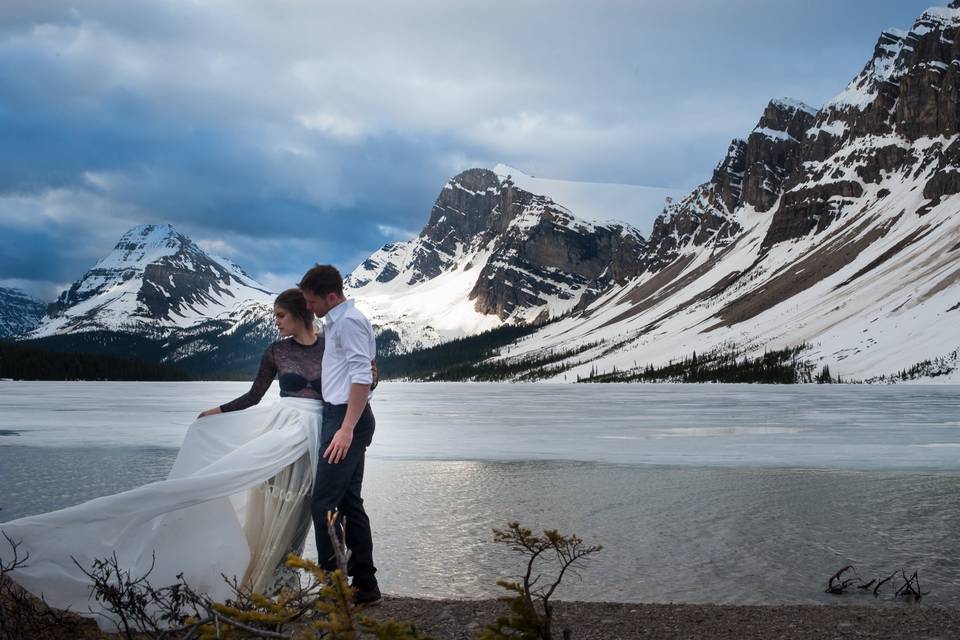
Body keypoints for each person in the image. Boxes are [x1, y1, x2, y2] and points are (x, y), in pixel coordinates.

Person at [0, 288, 368, 629]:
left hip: (324, 432)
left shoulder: (330, 346)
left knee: (314, 510)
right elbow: (254, 396)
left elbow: (358, 379)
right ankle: (271, 584)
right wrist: (218, 411)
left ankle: (326, 584)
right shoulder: (275, 351)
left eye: (281, 316)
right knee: (272, 508)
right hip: (280, 434)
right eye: (275, 316)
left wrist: (357, 410)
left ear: (302, 314)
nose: (276, 322)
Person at [299, 264, 381, 606]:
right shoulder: (336, 322)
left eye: (311, 300)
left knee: (323, 503)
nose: (309, 308)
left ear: (330, 296)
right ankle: (365, 586)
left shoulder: (348, 322)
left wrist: (346, 429)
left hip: (348, 419)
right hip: (342, 415)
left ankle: (334, 586)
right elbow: (353, 372)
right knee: (349, 502)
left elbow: (362, 376)